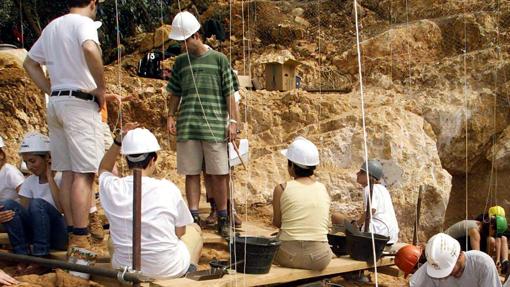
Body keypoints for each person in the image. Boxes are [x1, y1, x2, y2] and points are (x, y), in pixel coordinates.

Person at [23, 0, 108, 252]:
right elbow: (91, 49)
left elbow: (29, 63)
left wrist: (51, 89)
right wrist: (101, 87)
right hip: (79, 104)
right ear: (92, 2)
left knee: (69, 173)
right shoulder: (84, 23)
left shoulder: (52, 26)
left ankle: (74, 232)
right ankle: (81, 235)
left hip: (57, 103)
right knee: (84, 173)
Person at [166, 11, 240, 237]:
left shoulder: (219, 59)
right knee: (191, 173)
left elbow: (230, 93)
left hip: (215, 126)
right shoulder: (180, 63)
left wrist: (234, 122)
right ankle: (193, 217)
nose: (182, 46)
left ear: (196, 36)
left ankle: (223, 218)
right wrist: (170, 116)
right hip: (188, 126)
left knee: (219, 173)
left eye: (184, 41)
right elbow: (175, 93)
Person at [99, 125, 203, 278]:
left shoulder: (113, 188)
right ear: (153, 159)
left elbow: (103, 169)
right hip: (167, 270)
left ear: (126, 158)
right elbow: (180, 232)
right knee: (194, 231)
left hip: (125, 271)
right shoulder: (168, 188)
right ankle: (188, 272)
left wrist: (117, 141)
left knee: (112, 239)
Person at [0, 132, 67, 275]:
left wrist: (50, 177)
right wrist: (6, 214)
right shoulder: (30, 182)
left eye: (33, 161)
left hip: (59, 233)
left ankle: (41, 258)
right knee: (8, 205)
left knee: (37, 203)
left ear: (48, 158)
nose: (29, 166)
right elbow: (23, 213)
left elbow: (63, 208)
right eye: (26, 162)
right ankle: (22, 256)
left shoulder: (63, 178)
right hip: (37, 233)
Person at [272, 136, 332, 271]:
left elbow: (277, 223)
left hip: (288, 256)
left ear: (292, 165)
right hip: (320, 259)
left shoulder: (281, 188)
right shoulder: (323, 189)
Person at [332, 160, 399, 245]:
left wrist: (357, 224)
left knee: (336, 217)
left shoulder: (369, 188)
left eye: (361, 172)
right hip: (391, 237)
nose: (357, 174)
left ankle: (342, 246)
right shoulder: (383, 189)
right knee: (347, 219)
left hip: (377, 235)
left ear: (369, 176)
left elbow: (371, 210)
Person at [409, 233, 502, 286]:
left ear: (460, 254)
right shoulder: (435, 265)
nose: (446, 275)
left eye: (449, 270)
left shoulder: (482, 264)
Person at [0, 136, 25, 204]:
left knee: (7, 204)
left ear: (1, 155)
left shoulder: (9, 171)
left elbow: (25, 195)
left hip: (16, 210)